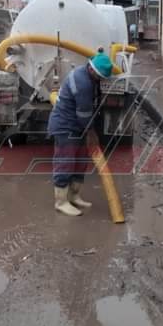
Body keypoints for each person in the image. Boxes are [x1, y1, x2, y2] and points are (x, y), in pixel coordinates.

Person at [47, 52, 114, 216]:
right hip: (65, 126)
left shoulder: (90, 77)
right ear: (92, 70)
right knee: (66, 162)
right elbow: (84, 113)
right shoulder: (83, 82)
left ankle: (74, 196)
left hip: (78, 126)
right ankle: (61, 201)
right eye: (100, 77)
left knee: (80, 161)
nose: (101, 80)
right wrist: (91, 133)